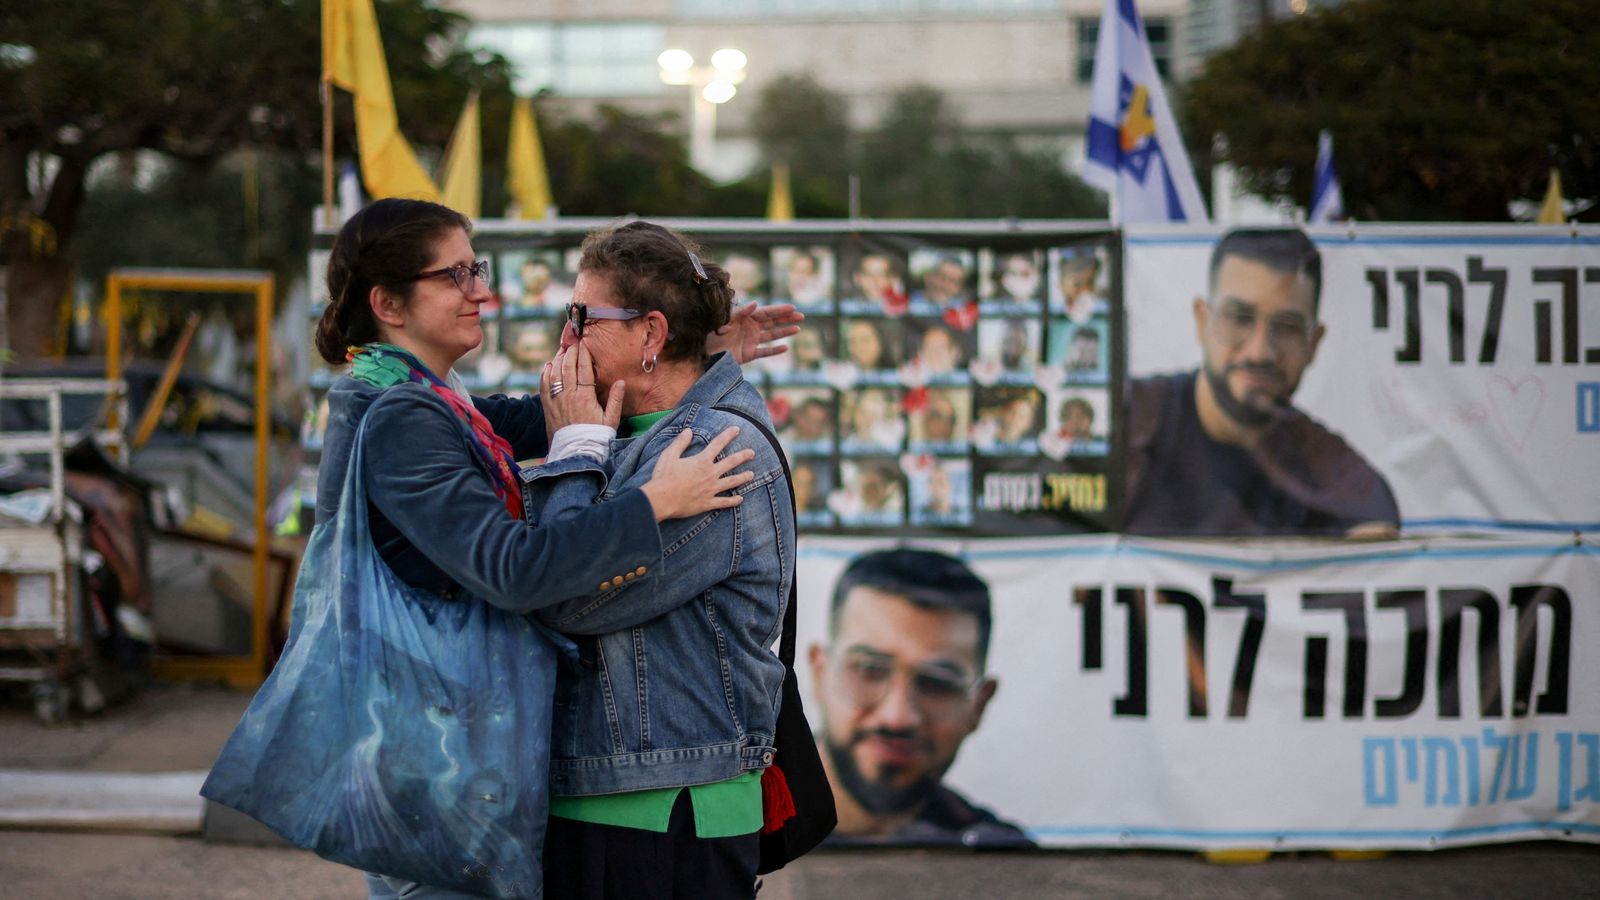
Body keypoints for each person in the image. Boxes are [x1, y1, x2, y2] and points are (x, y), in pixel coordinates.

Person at [309, 199, 764, 899]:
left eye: (477, 268)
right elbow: (521, 574)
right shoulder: (397, 414)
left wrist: (690, 347)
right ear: (388, 303)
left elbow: (552, 409)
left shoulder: (428, 399)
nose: (481, 291)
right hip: (433, 769)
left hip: (459, 756)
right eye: (456, 274)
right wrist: (650, 501)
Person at [520, 221, 799, 900]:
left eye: (584, 316)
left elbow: (561, 594)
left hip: (662, 806)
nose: (567, 338)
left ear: (650, 335)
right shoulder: (641, 433)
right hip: (615, 791)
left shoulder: (713, 447)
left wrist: (575, 449)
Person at [1124, 227, 1400, 537]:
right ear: (1203, 321)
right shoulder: (1124, 426)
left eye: (1286, 327)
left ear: (1314, 344)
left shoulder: (1338, 477)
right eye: (1239, 317)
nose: (1260, 352)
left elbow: (1376, 536)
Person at [808, 549, 1031, 847]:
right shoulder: (731, 837)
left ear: (979, 705)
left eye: (938, 683)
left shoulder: (1006, 867)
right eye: (869, 669)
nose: (898, 716)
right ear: (819, 674)